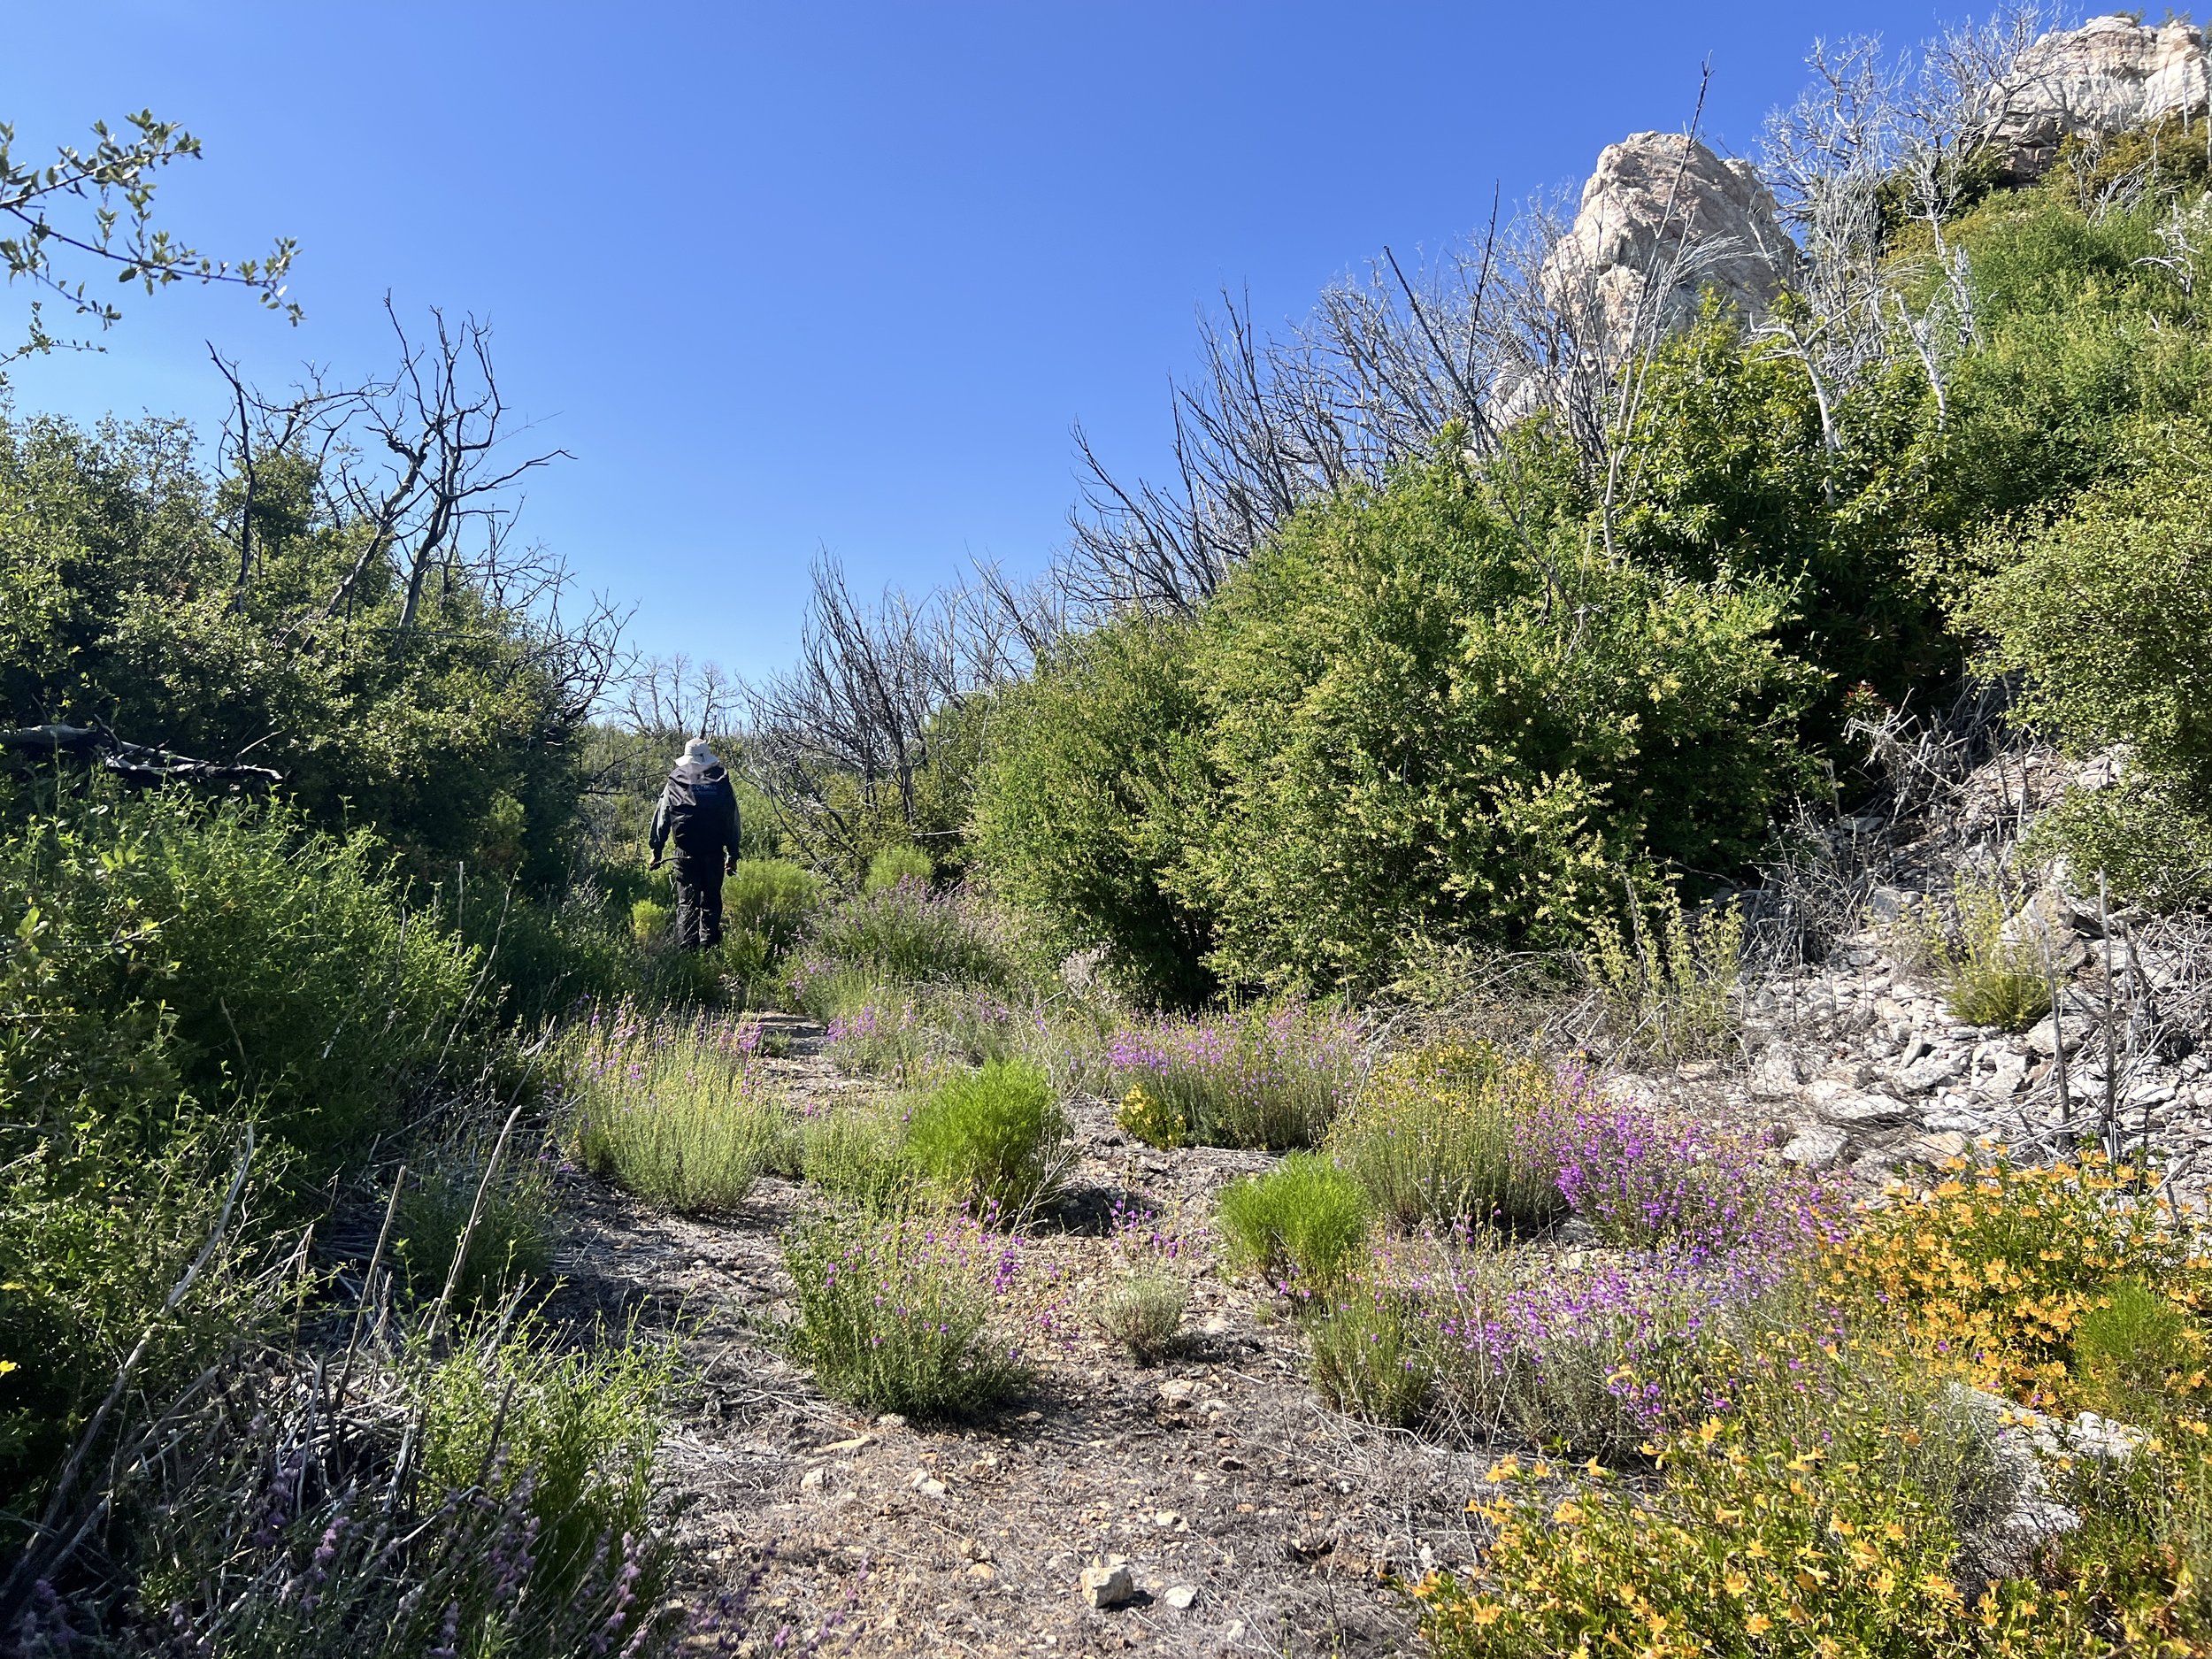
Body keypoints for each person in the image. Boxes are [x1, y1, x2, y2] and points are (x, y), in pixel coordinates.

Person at [648, 737, 743, 950]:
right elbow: (732, 819)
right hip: (713, 852)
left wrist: (657, 850)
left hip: (684, 851)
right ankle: (708, 947)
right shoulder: (721, 781)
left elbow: (662, 816)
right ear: (707, 757)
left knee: (687, 902)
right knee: (711, 900)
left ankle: (687, 950)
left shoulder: (675, 780)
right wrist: (733, 854)